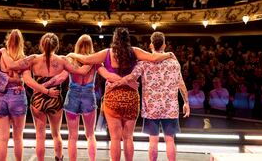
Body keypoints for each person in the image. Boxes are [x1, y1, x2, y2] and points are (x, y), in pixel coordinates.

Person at [68, 27, 175, 161]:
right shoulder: (135, 51)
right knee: (128, 137)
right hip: (131, 98)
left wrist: (72, 54)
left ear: (114, 39)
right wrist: (168, 54)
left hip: (113, 97)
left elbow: (86, 59)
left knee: (115, 138)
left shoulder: (107, 53)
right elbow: (153, 58)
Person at [0, 33, 91, 161]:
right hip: (55, 99)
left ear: (41, 44)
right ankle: (59, 158)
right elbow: (82, 71)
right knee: (56, 134)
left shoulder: (33, 59)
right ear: (57, 46)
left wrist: (3, 52)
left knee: (40, 136)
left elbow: (14, 68)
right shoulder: (63, 60)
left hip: (38, 99)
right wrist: (79, 55)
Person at [43, 35, 122, 161]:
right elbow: (108, 75)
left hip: (72, 96)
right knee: (90, 134)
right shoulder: (95, 61)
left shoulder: (70, 59)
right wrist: (126, 79)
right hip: (88, 96)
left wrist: (43, 86)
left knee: (72, 136)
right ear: (91, 46)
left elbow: (60, 78)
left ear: (77, 45)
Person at [113, 31, 189, 161]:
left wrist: (117, 82)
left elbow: (132, 77)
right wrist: (186, 102)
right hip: (170, 107)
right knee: (170, 139)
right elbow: (181, 83)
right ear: (164, 45)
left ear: (151, 45)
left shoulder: (144, 63)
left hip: (151, 108)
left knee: (153, 140)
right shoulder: (174, 63)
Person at [0, 30, 29, 161]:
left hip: (1, 96)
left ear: (8, 40)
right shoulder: (24, 58)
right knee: (18, 137)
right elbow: (24, 80)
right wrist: (15, 79)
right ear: (21, 42)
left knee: (2, 138)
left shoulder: (0, 55)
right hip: (17, 94)